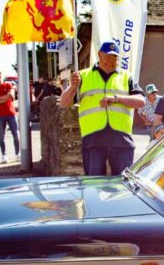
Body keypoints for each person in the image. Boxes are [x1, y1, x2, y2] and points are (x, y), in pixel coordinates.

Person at [59, 41, 146, 175]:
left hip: (121, 139)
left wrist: (117, 99)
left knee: (122, 187)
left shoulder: (126, 77)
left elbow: (141, 102)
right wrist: (72, 87)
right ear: (99, 55)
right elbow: (64, 103)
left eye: (114, 58)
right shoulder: (82, 76)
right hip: (93, 139)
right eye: (107, 57)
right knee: (93, 186)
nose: (110, 61)